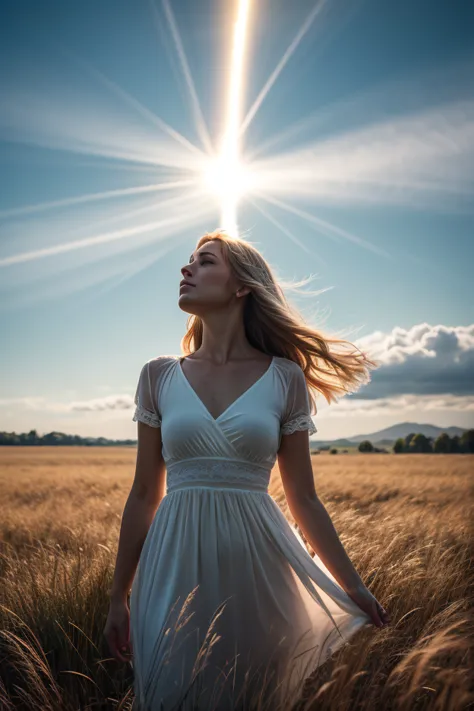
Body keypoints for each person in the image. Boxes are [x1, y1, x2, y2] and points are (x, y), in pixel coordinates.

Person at [104, 229, 390, 711]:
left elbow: (304, 499)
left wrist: (354, 587)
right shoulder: (158, 375)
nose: (186, 269)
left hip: (259, 568)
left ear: (242, 287)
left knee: (254, 696)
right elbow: (142, 495)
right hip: (171, 566)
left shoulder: (285, 378)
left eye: (205, 261)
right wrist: (118, 598)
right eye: (189, 261)